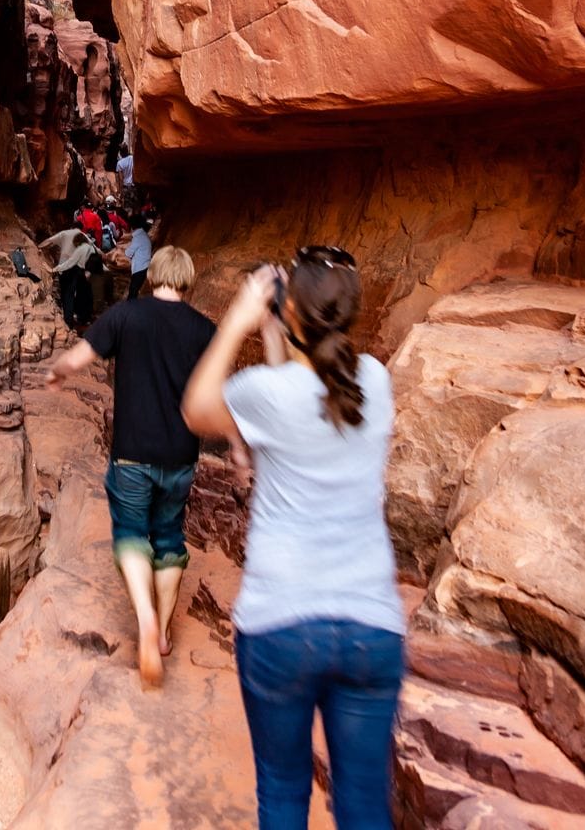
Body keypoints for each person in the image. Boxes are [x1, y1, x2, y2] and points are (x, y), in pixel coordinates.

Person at [182, 247, 405, 830]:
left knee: (282, 795)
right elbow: (307, 392)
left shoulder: (264, 393)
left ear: (294, 314)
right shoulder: (377, 383)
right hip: (370, 624)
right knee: (363, 802)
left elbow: (197, 407)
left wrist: (241, 318)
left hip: (282, 624)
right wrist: (284, 330)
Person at [45, 246, 215, 687]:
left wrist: (58, 371)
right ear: (188, 278)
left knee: (131, 534)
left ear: (154, 273)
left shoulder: (126, 315)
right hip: (180, 455)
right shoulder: (204, 329)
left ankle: (145, 622)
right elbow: (218, 392)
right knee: (170, 537)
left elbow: (80, 356)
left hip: (132, 453)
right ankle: (163, 634)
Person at [39, 224, 94, 330]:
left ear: (71, 227)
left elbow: (48, 241)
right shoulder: (83, 236)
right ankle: (81, 318)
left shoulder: (64, 234)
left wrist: (38, 246)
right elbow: (93, 250)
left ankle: (68, 321)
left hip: (64, 269)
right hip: (78, 269)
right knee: (79, 292)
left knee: (66, 294)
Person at [124, 214, 154, 299]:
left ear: (132, 227)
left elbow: (128, 253)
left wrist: (126, 250)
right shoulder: (143, 235)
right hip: (145, 265)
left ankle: (130, 309)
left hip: (140, 268)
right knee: (134, 290)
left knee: (133, 291)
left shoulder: (138, 238)